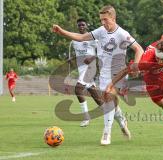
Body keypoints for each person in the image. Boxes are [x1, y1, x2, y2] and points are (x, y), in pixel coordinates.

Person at [52, 5, 144, 145]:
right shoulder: (101, 31)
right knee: (111, 103)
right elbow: (82, 37)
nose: (103, 23)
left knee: (108, 98)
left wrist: (136, 65)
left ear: (113, 18)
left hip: (118, 73)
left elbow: (139, 49)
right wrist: (62, 32)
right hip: (104, 74)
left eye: (105, 20)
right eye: (101, 20)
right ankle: (122, 121)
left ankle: (106, 134)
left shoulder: (122, 34)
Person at [105, 34, 163, 147]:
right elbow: (125, 71)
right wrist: (111, 84)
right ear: (155, 54)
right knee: (162, 105)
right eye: (158, 59)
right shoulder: (146, 61)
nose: (160, 62)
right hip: (151, 81)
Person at [71, 18, 104, 127]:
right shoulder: (74, 40)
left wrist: (92, 58)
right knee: (98, 100)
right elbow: (78, 55)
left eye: (83, 25)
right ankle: (114, 113)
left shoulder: (92, 39)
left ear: (86, 26)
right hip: (82, 70)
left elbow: (102, 51)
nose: (81, 27)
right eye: (79, 25)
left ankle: (86, 117)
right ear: (77, 26)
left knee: (78, 89)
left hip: (90, 68)